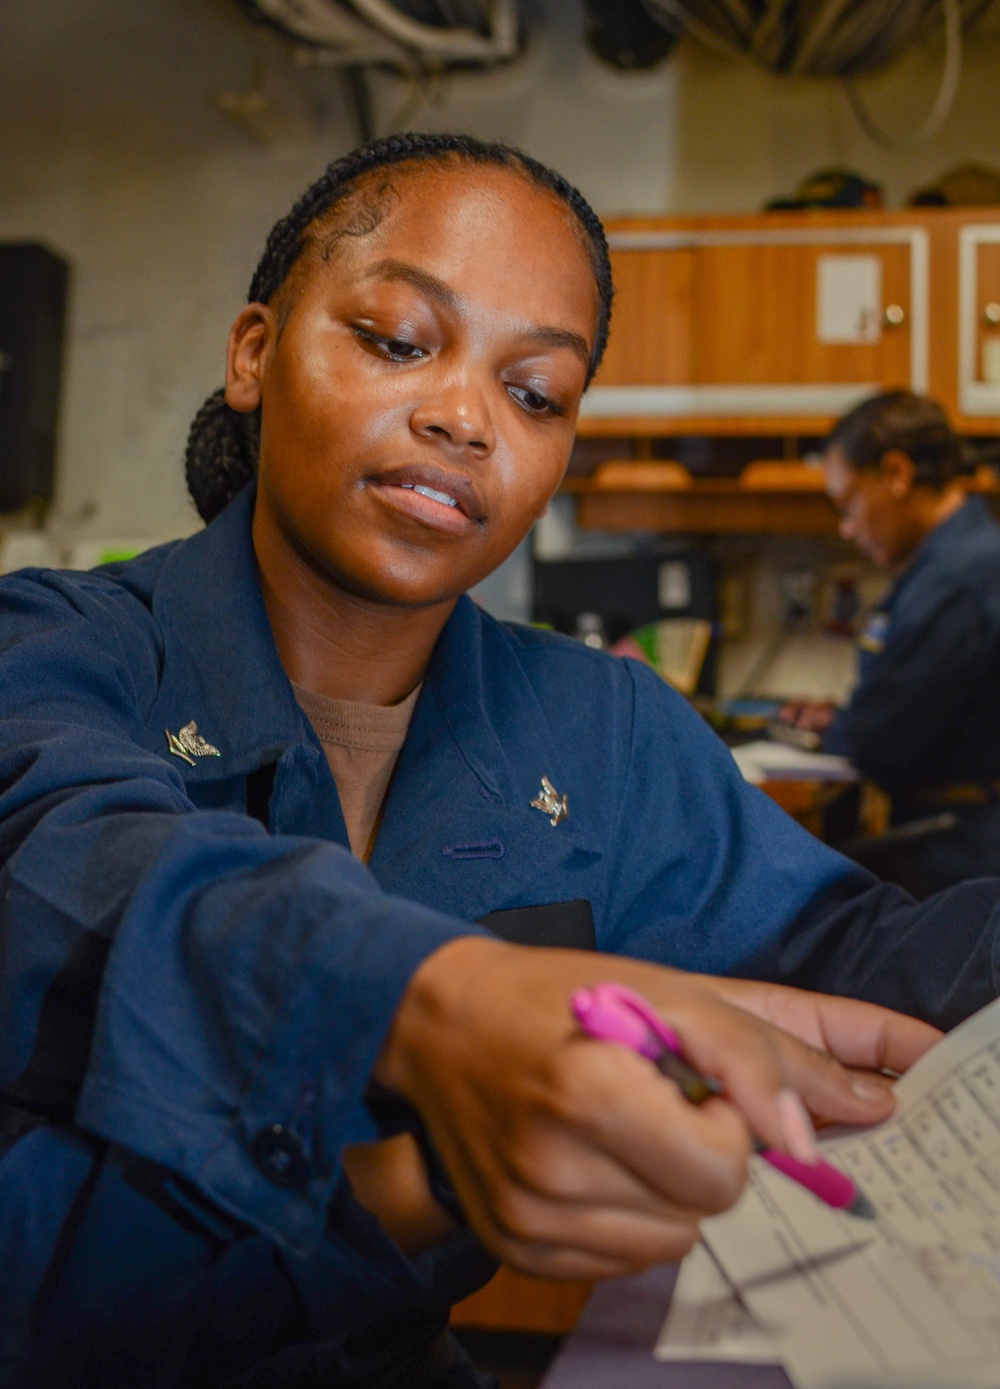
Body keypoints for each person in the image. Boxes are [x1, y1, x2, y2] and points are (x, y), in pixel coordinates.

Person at [0, 135, 996, 1388]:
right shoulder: (50, 652)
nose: (463, 416)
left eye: (536, 394)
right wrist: (442, 1009)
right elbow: (103, 865)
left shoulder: (605, 730)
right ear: (254, 352)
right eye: (398, 338)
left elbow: (864, 965)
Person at [779, 390, 1000, 897]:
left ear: (897, 474)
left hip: (965, 851)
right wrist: (844, 720)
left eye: (849, 502)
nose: (847, 528)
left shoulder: (958, 579)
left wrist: (843, 729)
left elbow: (880, 743)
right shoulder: (951, 562)